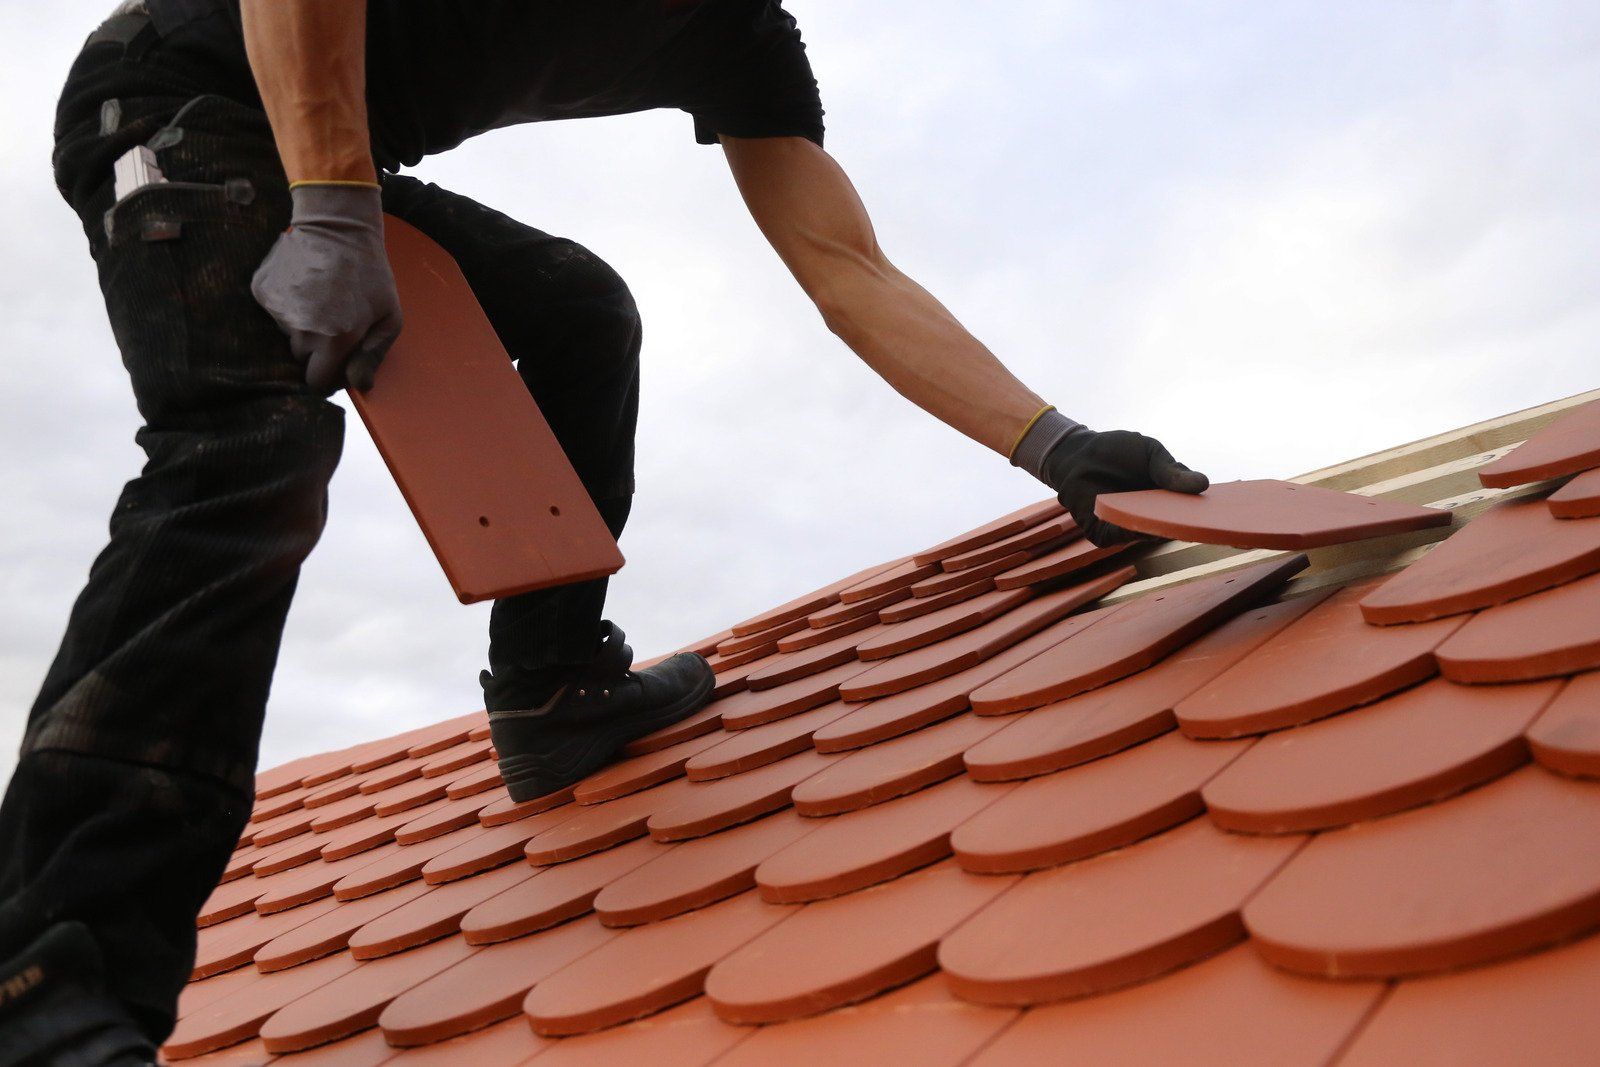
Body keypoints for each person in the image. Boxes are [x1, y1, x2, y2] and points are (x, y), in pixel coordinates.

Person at [0, 0, 1209, 1061]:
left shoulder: (743, 40)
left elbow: (848, 268)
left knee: (578, 309)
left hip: (322, 147)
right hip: (177, 94)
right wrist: (329, 206)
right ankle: (50, 974)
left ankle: (551, 688)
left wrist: (1056, 443)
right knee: (246, 449)